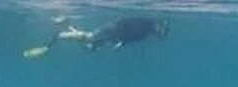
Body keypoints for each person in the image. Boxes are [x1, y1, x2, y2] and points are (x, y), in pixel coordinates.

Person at [23, 17, 169, 58]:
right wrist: (117, 37)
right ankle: (62, 33)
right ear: (159, 26)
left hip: (114, 35)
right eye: (161, 31)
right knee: (89, 39)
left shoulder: (147, 32)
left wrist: (121, 43)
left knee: (90, 46)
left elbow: (131, 37)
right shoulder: (145, 25)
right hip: (113, 31)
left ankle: (67, 27)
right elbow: (125, 24)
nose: (159, 34)